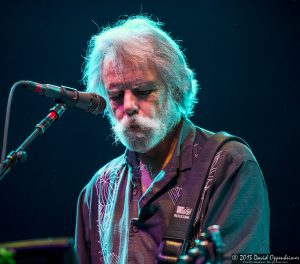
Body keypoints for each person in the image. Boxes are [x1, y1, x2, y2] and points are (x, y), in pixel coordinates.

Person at [75, 16, 270, 264]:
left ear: (177, 88)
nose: (129, 106)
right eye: (115, 95)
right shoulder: (98, 188)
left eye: (143, 91)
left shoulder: (229, 165)